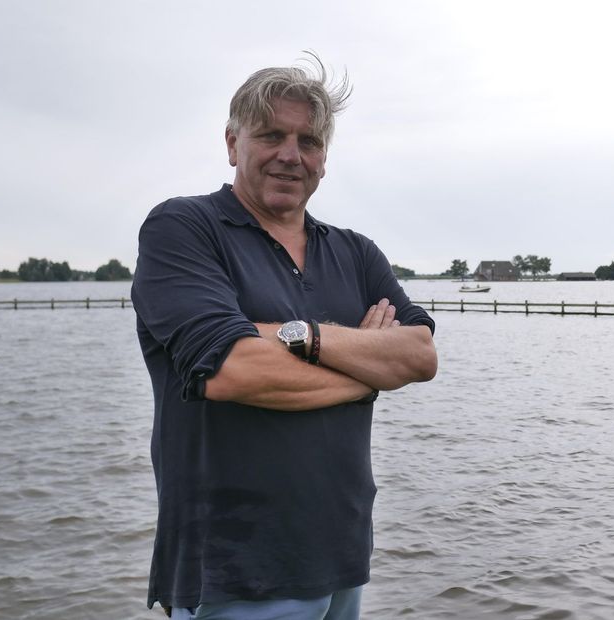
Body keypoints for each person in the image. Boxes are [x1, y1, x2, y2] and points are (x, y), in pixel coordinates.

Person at [131, 54, 437, 620]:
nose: (291, 155)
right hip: (233, 566)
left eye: (309, 140)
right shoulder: (183, 228)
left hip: (344, 551)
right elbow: (232, 371)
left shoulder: (355, 251)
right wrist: (368, 373)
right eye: (271, 134)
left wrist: (303, 337)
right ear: (232, 142)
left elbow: (418, 355)